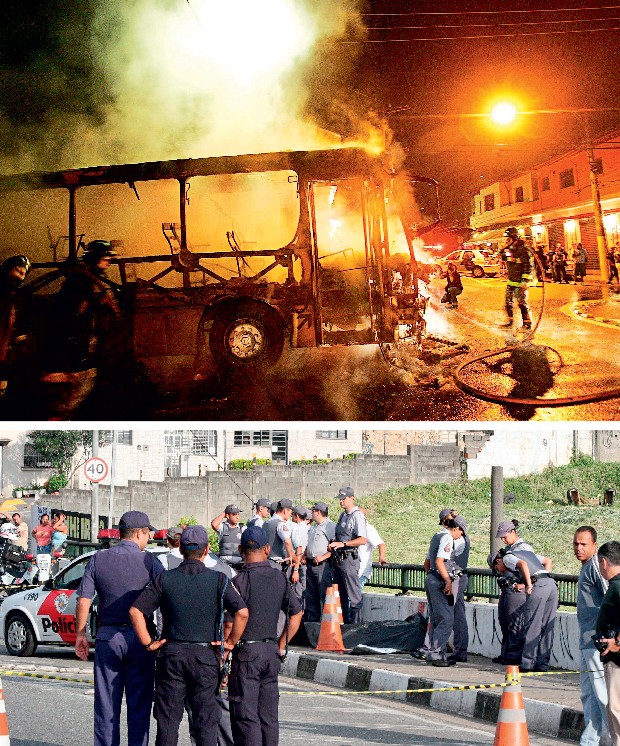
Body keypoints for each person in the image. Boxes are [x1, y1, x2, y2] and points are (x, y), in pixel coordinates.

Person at [129, 525, 249, 746]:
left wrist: (148, 643)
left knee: (167, 723)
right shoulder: (219, 580)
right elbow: (242, 612)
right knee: (205, 723)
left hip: (171, 654)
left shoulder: (164, 579)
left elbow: (135, 611)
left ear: (181, 549)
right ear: (206, 550)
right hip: (206, 656)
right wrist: (229, 643)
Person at [75, 510, 164, 746]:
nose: (149, 539)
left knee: (105, 705)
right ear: (140, 533)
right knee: (139, 705)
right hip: (141, 639)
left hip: (107, 638)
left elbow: (84, 599)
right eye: (148, 534)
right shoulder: (151, 563)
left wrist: (80, 635)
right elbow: (165, 603)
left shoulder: (98, 559)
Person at [227, 526, 303, 746]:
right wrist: (281, 645)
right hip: (271, 651)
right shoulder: (279, 578)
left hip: (246, 652)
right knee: (269, 717)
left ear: (241, 549)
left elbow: (231, 622)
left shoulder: (238, 582)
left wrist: (228, 647)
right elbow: (296, 614)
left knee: (245, 715)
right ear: (267, 549)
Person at [42, 240, 121, 417]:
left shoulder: (85, 281)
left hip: (80, 352)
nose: (108, 262)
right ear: (96, 258)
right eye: (105, 258)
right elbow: (76, 313)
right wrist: (100, 304)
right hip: (75, 353)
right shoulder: (81, 283)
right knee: (73, 396)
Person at [496, 519, 557, 672]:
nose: (503, 540)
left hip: (538, 586)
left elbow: (522, 565)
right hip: (550, 583)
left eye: (505, 536)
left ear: (513, 532)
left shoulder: (508, 556)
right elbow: (546, 561)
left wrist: (529, 584)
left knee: (532, 625)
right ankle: (542, 663)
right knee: (546, 625)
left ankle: (528, 663)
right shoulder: (527, 549)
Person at [573, 526, 611, 746]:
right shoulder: (587, 566)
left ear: (594, 545)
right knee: (589, 696)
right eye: (576, 543)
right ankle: (589, 741)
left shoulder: (597, 565)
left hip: (597, 642)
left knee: (603, 696)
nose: (579, 548)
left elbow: (611, 596)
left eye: (584, 544)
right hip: (586, 641)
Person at [420, 516, 466, 667]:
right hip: (440, 579)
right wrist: (447, 580)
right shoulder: (447, 538)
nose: (462, 536)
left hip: (432, 577)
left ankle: (431, 652)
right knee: (446, 619)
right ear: (457, 528)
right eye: (462, 532)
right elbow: (440, 561)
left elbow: (427, 563)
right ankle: (437, 654)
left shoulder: (436, 536)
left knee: (435, 618)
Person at [328, 487, 368, 624]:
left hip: (349, 558)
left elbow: (363, 539)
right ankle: (344, 625)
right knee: (341, 594)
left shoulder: (357, 515)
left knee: (354, 594)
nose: (341, 502)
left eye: (344, 499)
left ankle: (357, 627)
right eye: (340, 499)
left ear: (352, 498)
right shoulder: (343, 515)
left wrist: (343, 544)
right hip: (338, 559)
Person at [595, 541, 620, 744]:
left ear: (603, 562)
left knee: (616, 709)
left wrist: (617, 643)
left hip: (617, 661)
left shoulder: (618, 586)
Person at [488, 550, 528, 665]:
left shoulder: (514, 561)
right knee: (504, 623)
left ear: (499, 561)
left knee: (514, 624)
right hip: (506, 591)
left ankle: (514, 656)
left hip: (515, 591)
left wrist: (525, 584)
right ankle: (505, 653)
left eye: (495, 566)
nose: (496, 570)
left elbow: (532, 575)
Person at [0, 255, 31, 398]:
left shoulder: (16, 298)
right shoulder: (9, 297)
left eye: (23, 272)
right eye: (17, 270)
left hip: (6, 358)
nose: (20, 275)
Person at [304, 502, 336, 623]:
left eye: (313, 511)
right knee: (311, 597)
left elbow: (334, 547)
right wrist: (305, 555)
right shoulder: (314, 527)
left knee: (323, 595)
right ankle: (313, 625)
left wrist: (323, 557)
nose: (311, 514)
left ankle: (325, 626)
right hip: (311, 563)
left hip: (323, 565)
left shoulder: (329, 526)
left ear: (318, 512)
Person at [499, 227, 532, 329]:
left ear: (513, 237)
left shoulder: (522, 249)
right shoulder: (510, 248)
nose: (506, 240)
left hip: (520, 281)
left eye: (508, 238)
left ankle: (527, 323)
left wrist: (525, 280)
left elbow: (528, 265)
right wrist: (504, 248)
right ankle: (510, 321)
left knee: (521, 303)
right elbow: (504, 257)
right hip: (511, 280)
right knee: (508, 302)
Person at [264, 498, 295, 571]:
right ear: (285, 510)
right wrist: (291, 556)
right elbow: (287, 541)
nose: (291, 514)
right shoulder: (280, 524)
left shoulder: (266, 523)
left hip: (266, 561)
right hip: (277, 563)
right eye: (290, 511)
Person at [211, 505, 245, 571]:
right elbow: (214, 524)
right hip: (224, 565)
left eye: (238, 514)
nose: (237, 517)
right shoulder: (222, 527)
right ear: (227, 516)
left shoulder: (242, 528)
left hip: (239, 565)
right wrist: (224, 512)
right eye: (234, 514)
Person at [358, 520, 386, 589]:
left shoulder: (367, 529)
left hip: (361, 571)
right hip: (350, 571)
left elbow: (381, 544)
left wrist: (381, 558)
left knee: (353, 597)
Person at [291, 506, 310, 605]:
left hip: (298, 561)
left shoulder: (296, 528)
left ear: (297, 516)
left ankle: (300, 612)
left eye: (293, 515)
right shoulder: (308, 528)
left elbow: (297, 547)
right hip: (305, 560)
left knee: (298, 589)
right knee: (304, 587)